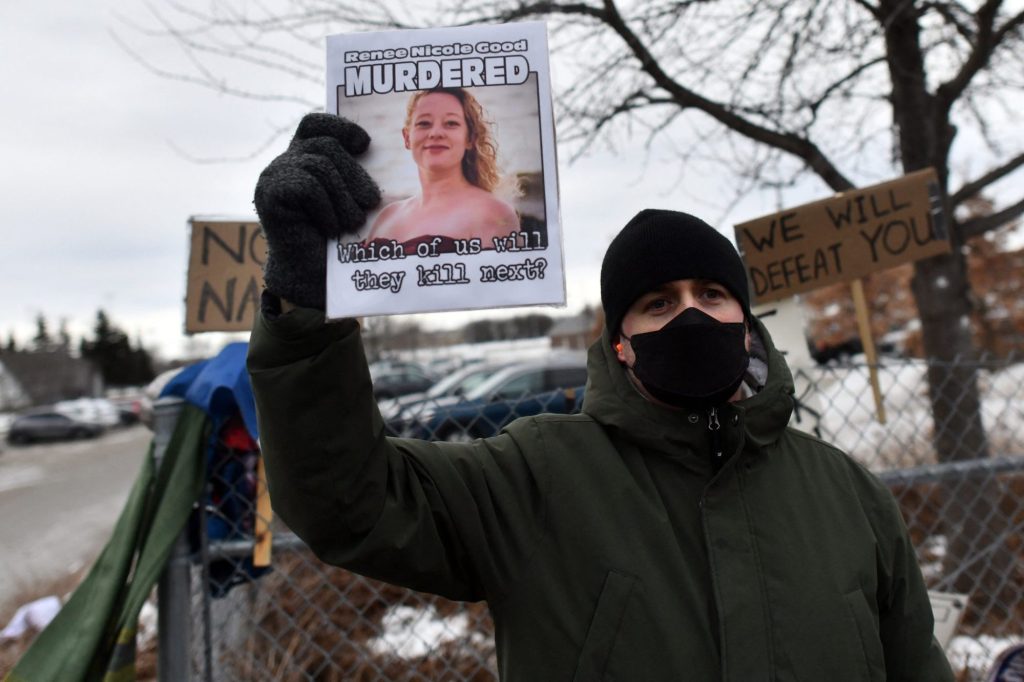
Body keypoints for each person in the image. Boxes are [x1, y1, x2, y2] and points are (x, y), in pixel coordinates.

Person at [248, 114, 955, 681]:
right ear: (620, 344)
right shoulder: (536, 477)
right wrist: (307, 304)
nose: (691, 314)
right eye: (658, 303)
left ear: (747, 325)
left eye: (712, 294)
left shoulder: (848, 496)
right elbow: (349, 500)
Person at [364, 87, 520, 249]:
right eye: (424, 123)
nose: (435, 133)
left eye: (451, 123)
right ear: (407, 138)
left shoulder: (494, 214)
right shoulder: (387, 217)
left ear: (470, 138)